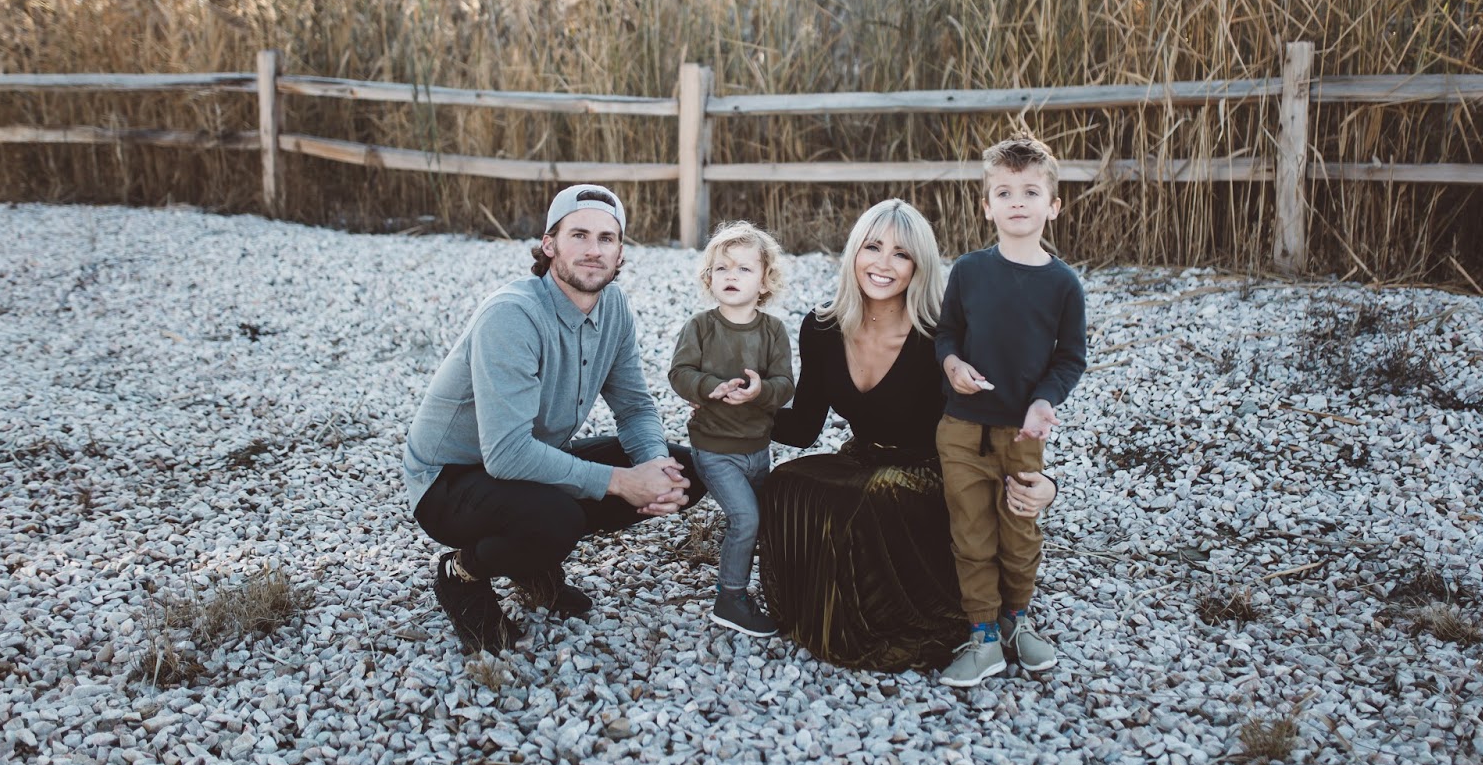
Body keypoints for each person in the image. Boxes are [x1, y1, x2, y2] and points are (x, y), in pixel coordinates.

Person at [758, 198, 1057, 671]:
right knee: (784, 484)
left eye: (901, 254)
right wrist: (744, 410)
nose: (883, 264)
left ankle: (921, 617)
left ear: (919, 266)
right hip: (864, 459)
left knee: (876, 495)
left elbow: (998, 418)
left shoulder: (943, 336)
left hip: (939, 473)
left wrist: (1041, 482)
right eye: (872, 247)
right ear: (854, 252)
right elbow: (805, 427)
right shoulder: (822, 326)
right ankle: (824, 609)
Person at [403, 184, 703, 654]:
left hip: (528, 462)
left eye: (606, 238)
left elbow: (634, 406)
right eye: (578, 235)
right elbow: (505, 454)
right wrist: (623, 482)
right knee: (556, 519)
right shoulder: (512, 316)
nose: (593, 250)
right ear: (549, 245)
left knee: (687, 471)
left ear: (620, 253)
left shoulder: (615, 307)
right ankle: (462, 575)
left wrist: (654, 468)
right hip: (450, 480)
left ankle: (530, 564)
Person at [935, 135, 1087, 687]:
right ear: (986, 206)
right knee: (971, 533)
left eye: (1030, 192)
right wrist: (952, 364)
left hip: (1023, 433)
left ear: (1053, 205)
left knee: (1019, 532)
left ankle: (1016, 621)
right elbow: (947, 333)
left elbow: (1070, 358)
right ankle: (982, 634)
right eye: (1004, 192)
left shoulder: (1063, 284)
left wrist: (1044, 400)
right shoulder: (969, 271)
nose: (1016, 202)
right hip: (961, 428)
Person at [668, 221, 795, 638]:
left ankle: (771, 584)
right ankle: (731, 597)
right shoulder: (701, 327)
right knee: (745, 517)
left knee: (758, 521)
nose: (731, 276)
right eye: (722, 268)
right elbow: (679, 373)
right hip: (715, 449)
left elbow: (784, 384)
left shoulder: (772, 330)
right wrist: (709, 387)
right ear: (709, 278)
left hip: (758, 449)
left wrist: (760, 392)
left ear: (765, 280)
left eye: (743, 268)